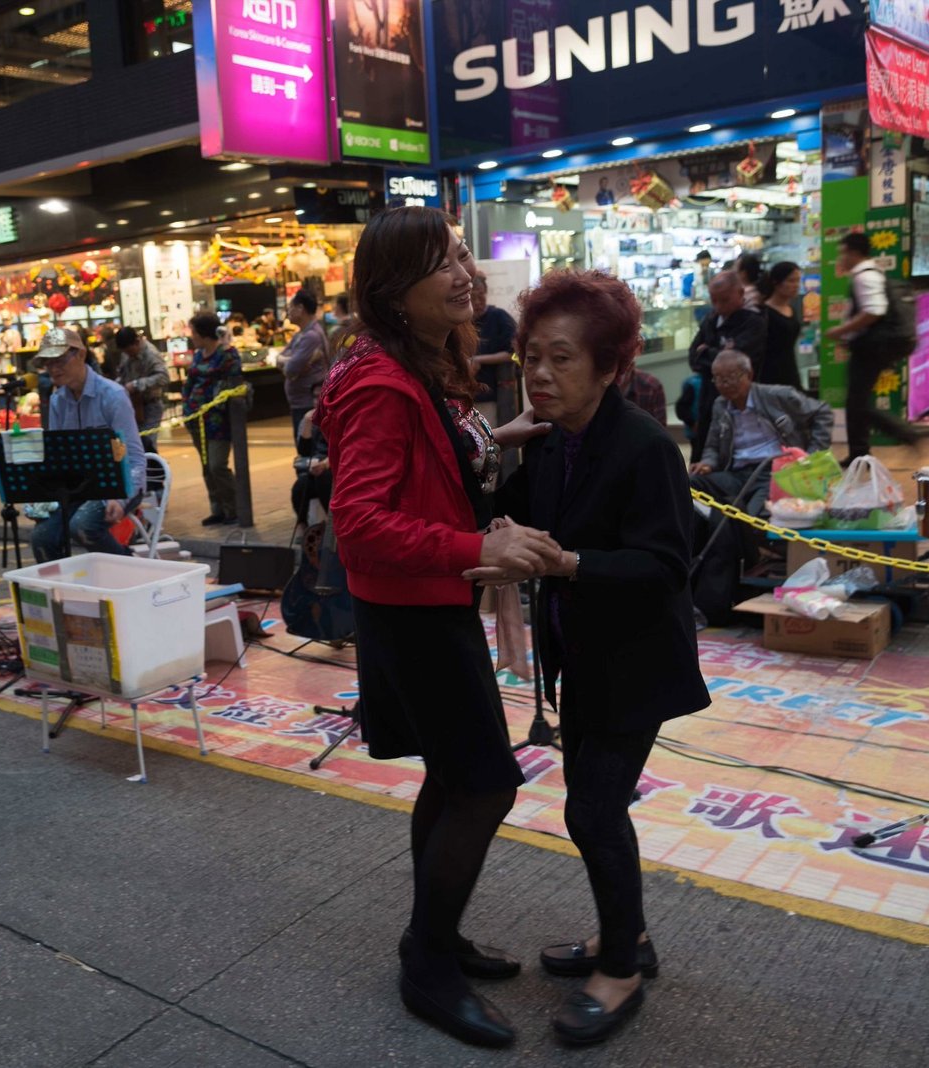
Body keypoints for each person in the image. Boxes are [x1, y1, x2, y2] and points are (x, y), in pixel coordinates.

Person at [318, 206, 561, 1050]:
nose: (464, 272)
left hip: (430, 604)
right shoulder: (382, 382)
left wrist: (502, 435)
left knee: (454, 779)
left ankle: (438, 933)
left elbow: (441, 456)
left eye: (461, 253)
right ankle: (426, 960)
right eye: (440, 264)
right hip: (415, 614)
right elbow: (360, 522)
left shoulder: (414, 363)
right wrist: (478, 543)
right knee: (486, 784)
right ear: (393, 292)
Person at [489, 270, 710, 1047]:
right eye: (530, 358)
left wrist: (570, 565)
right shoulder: (557, 442)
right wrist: (494, 445)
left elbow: (664, 567)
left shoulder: (646, 448)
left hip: (636, 664)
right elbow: (502, 513)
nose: (541, 375)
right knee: (592, 804)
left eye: (561, 359)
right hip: (580, 655)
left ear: (611, 365)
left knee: (591, 807)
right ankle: (629, 938)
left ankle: (618, 968)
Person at [28, 328, 146, 563]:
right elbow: (58, 457)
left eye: (59, 360)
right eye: (47, 363)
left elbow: (133, 457)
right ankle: (60, 593)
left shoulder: (113, 395)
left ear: (81, 355)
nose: (53, 368)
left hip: (117, 482)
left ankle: (128, 566)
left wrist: (120, 497)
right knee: (42, 538)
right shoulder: (57, 401)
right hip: (79, 488)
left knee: (82, 525)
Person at [689, 349, 834, 526]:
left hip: (774, 473)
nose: (724, 384)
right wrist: (707, 463)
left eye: (731, 377)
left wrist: (811, 455)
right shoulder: (720, 405)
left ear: (749, 375)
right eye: (718, 379)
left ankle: (746, 548)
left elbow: (822, 412)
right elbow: (712, 446)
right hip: (737, 473)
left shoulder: (777, 396)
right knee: (690, 485)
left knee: (750, 519)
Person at [827, 232, 920, 461]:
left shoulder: (864, 277)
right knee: (856, 402)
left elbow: (874, 310)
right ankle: (860, 453)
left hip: (871, 346)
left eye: (843, 253)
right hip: (872, 344)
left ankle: (901, 434)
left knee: (857, 402)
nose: (841, 259)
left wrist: (841, 331)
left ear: (854, 252)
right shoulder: (873, 273)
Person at [686, 271, 767, 463]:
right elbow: (693, 358)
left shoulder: (753, 322)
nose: (718, 306)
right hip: (709, 398)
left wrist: (707, 352)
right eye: (714, 300)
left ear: (740, 294)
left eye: (724, 300)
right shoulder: (711, 320)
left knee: (734, 455)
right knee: (704, 452)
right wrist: (718, 352)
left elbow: (734, 363)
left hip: (739, 402)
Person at [181, 312, 243, 526]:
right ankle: (217, 508)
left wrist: (227, 344)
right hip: (195, 419)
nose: (192, 337)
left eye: (194, 333)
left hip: (218, 421)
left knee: (218, 465)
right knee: (207, 466)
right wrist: (186, 404)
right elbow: (189, 382)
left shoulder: (226, 354)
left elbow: (236, 370)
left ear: (204, 334)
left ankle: (234, 508)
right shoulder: (198, 355)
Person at [469, 271, 517, 426]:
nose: (477, 301)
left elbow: (513, 353)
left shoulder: (499, 317)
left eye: (481, 295)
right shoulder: (461, 322)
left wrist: (478, 359)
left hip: (493, 394)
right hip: (467, 396)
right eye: (472, 297)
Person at [281, 289, 329, 440]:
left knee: (307, 452)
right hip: (300, 401)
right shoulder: (300, 334)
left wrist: (287, 362)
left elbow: (289, 369)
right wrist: (289, 361)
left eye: (290, 308)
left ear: (300, 309)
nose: (288, 312)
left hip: (308, 403)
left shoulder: (311, 336)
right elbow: (278, 358)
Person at [113, 327, 170, 452]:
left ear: (136, 342)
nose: (128, 354)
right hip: (133, 405)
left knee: (147, 444)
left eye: (129, 351)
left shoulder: (151, 354)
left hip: (150, 404)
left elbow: (164, 377)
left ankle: (153, 470)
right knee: (134, 444)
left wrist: (137, 384)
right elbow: (122, 375)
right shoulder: (126, 354)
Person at [759, 262, 804, 389]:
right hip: (770, 376)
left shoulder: (791, 309)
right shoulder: (764, 313)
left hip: (791, 370)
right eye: (791, 281)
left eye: (798, 281)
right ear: (776, 282)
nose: (796, 285)